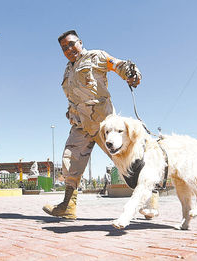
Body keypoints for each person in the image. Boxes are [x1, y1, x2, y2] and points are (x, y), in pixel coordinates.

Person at [43, 30, 147, 219]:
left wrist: (132, 74)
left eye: (71, 44)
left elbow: (118, 64)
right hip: (80, 124)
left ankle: (148, 200)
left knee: (126, 160)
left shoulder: (95, 56)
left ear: (80, 42)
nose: (68, 49)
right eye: (64, 48)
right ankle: (68, 206)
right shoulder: (68, 69)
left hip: (103, 122)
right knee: (70, 161)